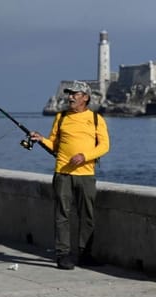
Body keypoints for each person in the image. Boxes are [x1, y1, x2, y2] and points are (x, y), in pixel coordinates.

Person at [29, 81, 109, 270]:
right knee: (62, 215)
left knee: (87, 216)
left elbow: (105, 146)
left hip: (86, 175)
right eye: (70, 93)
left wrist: (85, 156)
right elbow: (54, 146)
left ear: (85, 98)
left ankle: (85, 255)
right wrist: (41, 140)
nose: (70, 97)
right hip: (62, 174)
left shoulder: (96, 119)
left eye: (75, 94)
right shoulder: (61, 117)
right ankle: (63, 255)